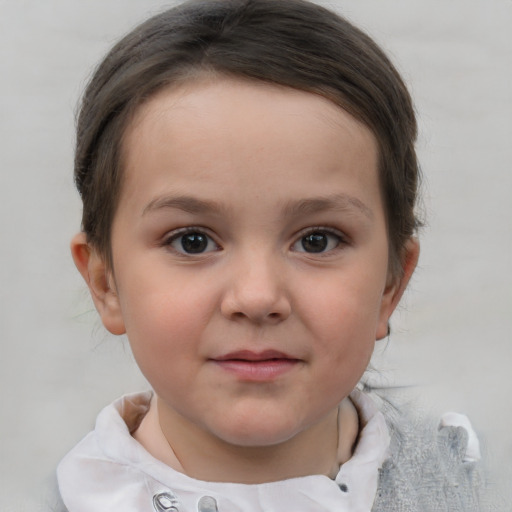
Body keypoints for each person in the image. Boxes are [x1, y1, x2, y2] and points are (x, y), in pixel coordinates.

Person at [55, 0, 489, 510]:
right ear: (105, 282)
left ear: (391, 284)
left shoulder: (475, 489)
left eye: (316, 240)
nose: (257, 297)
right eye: (192, 241)